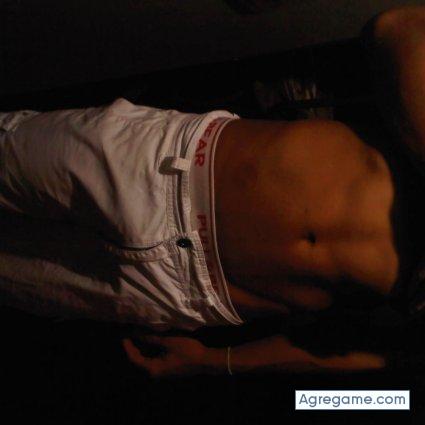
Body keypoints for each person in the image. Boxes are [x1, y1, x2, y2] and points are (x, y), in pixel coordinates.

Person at [1, 5, 425, 378]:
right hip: (166, 169)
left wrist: (216, 362)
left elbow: (383, 365)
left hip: (181, 291)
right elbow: (396, 27)